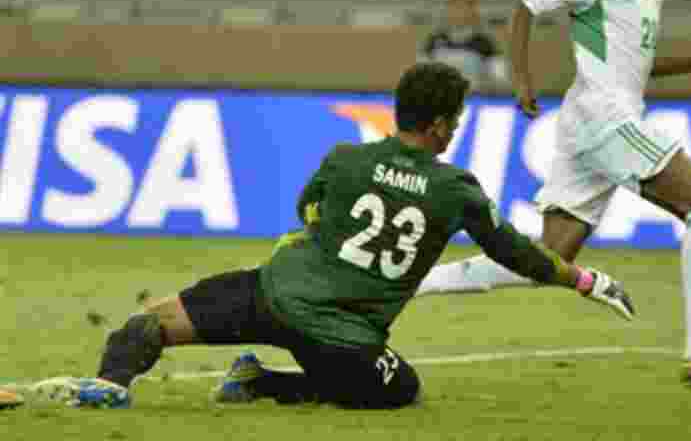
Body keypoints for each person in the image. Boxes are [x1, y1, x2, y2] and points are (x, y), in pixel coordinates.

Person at [30, 63, 634, 410]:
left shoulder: (345, 157)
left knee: (150, 323)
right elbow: (520, 255)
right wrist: (582, 278)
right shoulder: (457, 189)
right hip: (341, 335)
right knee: (401, 389)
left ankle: (110, 385)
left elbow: (307, 208)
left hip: (266, 293)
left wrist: (316, 239)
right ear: (442, 124)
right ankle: (261, 382)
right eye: (455, 119)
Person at [415, 0, 691, 386]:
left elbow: (635, 64)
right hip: (604, 115)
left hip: (593, 119)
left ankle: (412, 281)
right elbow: (526, 1)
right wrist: (521, 77)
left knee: (547, 259)